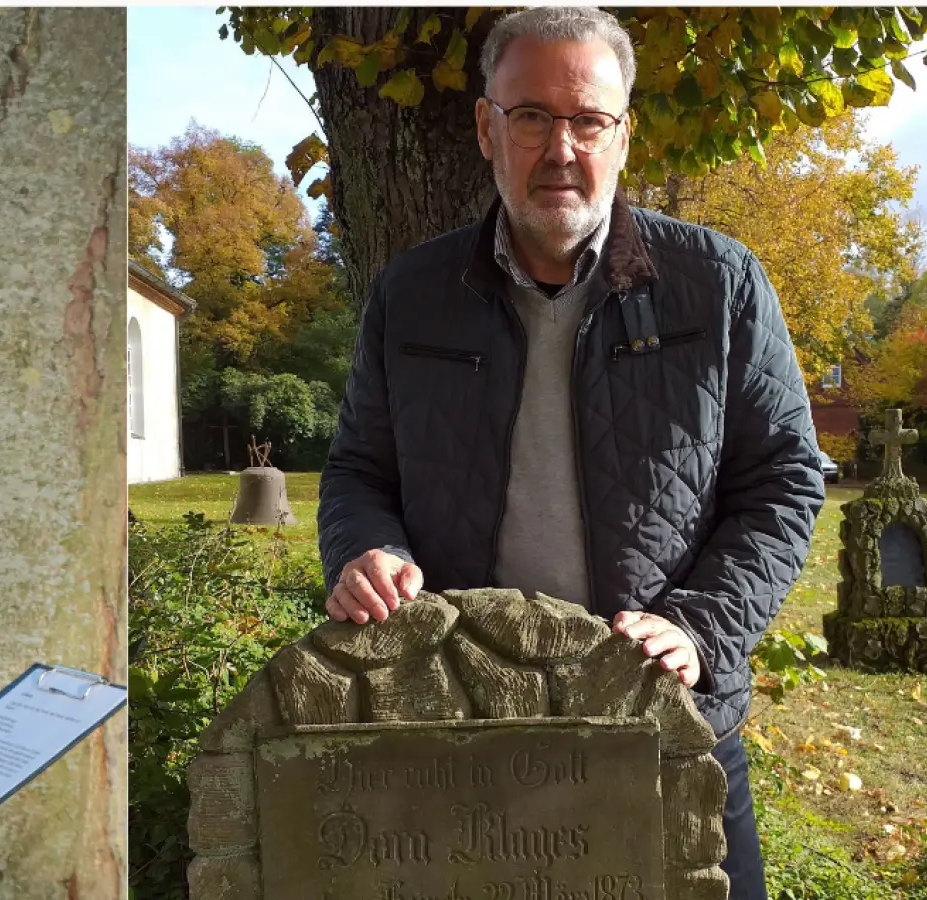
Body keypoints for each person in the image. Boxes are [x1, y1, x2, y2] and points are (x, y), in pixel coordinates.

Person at [317, 8, 824, 898]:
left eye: (588, 120)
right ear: (486, 127)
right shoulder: (411, 294)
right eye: (532, 117)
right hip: (460, 725)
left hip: (663, 722)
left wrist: (703, 625)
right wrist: (369, 550)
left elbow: (781, 481)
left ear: (623, 135)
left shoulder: (721, 283)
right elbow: (361, 468)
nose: (562, 148)